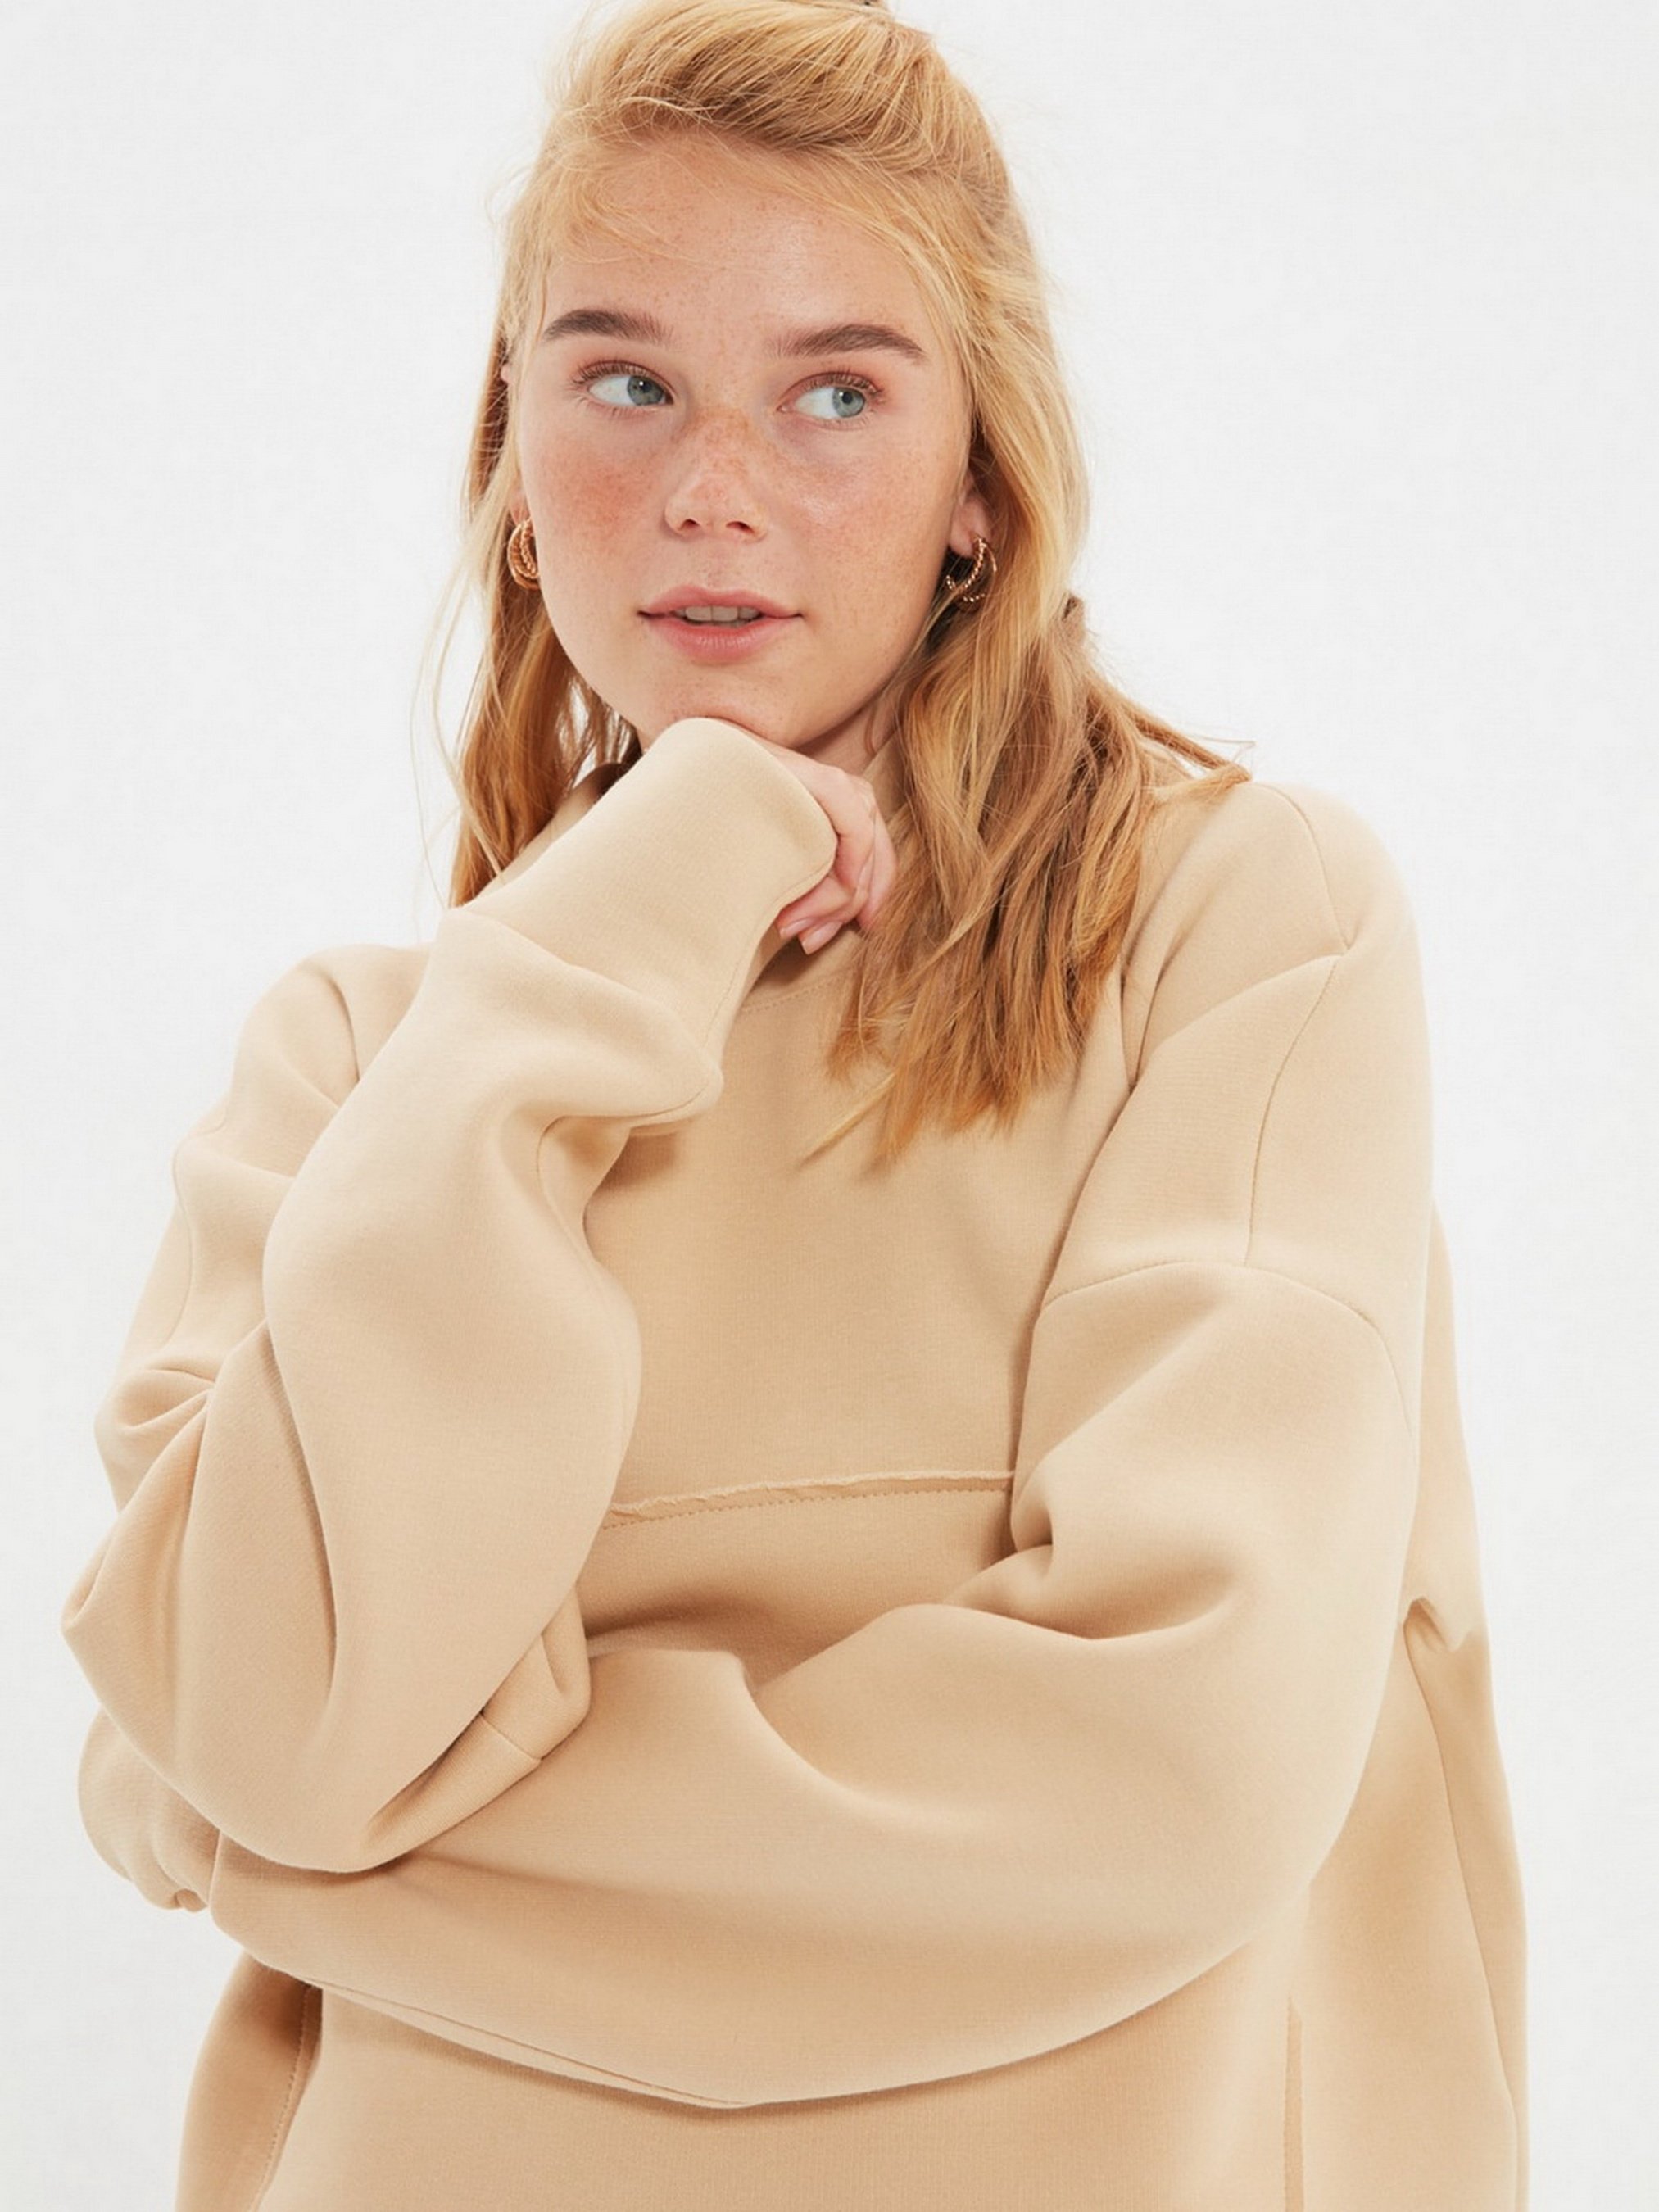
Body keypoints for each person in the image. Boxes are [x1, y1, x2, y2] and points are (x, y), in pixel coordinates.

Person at [59, 2, 1529, 2206]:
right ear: (509, 458)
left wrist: (297, 1862)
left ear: (978, 482)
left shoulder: (1236, 926)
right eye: (624, 381)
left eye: (836, 391)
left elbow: (1169, 1779)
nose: (710, 490)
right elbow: (277, 1712)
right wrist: (621, 912)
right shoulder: (365, 1067)